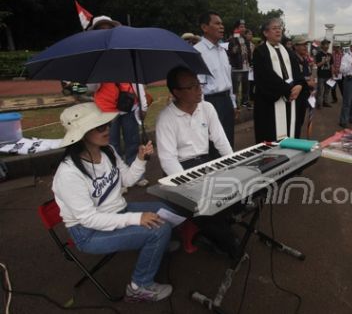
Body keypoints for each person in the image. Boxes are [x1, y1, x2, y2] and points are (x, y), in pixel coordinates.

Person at [51, 102, 173, 302]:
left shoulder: (107, 150)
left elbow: (128, 179)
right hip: (88, 233)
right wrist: (136, 219)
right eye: (100, 126)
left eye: (107, 124)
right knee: (159, 230)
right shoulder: (68, 173)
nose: (107, 129)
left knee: (166, 209)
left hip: (118, 211)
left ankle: (157, 245)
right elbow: (89, 219)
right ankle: (139, 287)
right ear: (82, 133)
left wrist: (141, 159)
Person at [90, 16, 149, 186]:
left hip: (129, 105)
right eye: (101, 29)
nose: (106, 32)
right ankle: (115, 179)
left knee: (132, 142)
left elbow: (136, 79)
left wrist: (143, 104)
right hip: (106, 109)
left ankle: (135, 173)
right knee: (110, 145)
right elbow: (91, 87)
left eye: (109, 28)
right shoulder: (94, 55)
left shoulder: (124, 50)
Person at [156, 67, 233, 175]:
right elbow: (168, 160)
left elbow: (221, 140)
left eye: (199, 84)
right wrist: (185, 181)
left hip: (205, 162)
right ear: (177, 92)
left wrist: (233, 162)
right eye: (192, 86)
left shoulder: (207, 108)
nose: (199, 89)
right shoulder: (165, 118)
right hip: (179, 167)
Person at [252, 18, 308, 142]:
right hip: (271, 103)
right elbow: (266, 77)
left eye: (280, 28)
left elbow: (297, 74)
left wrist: (299, 86)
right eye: (274, 28)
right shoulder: (260, 52)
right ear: (266, 33)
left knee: (290, 130)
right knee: (272, 139)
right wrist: (288, 90)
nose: (278, 31)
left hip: (291, 100)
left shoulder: (288, 52)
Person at [194, 11, 237, 148]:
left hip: (226, 102)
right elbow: (198, 85)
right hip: (210, 102)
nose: (222, 27)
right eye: (217, 23)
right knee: (213, 144)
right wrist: (200, 111)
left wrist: (233, 103)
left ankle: (228, 168)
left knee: (228, 141)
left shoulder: (222, 51)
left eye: (222, 24)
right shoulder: (198, 52)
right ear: (204, 27)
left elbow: (228, 79)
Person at [290, 36, 315, 137]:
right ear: (295, 46)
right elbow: (294, 78)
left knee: (300, 121)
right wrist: (307, 82)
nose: (305, 47)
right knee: (294, 122)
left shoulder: (304, 60)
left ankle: (296, 139)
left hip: (305, 94)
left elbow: (307, 75)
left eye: (306, 45)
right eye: (303, 45)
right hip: (296, 96)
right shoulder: (292, 59)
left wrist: (311, 80)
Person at [228, 20, 250, 109]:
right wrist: (235, 44)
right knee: (235, 88)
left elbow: (248, 53)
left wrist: (250, 62)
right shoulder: (232, 39)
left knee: (246, 87)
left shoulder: (245, 39)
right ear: (236, 28)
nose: (243, 28)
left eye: (244, 26)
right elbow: (231, 53)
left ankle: (245, 102)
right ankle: (235, 104)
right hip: (237, 67)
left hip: (246, 67)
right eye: (241, 26)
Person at [315, 39, 332, 108]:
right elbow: (316, 65)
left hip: (328, 75)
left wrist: (332, 74)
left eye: (328, 44)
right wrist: (324, 61)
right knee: (320, 90)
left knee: (327, 90)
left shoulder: (330, 55)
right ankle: (319, 103)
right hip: (321, 75)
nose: (327, 46)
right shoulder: (318, 54)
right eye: (325, 44)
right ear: (322, 45)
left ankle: (325, 102)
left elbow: (331, 65)